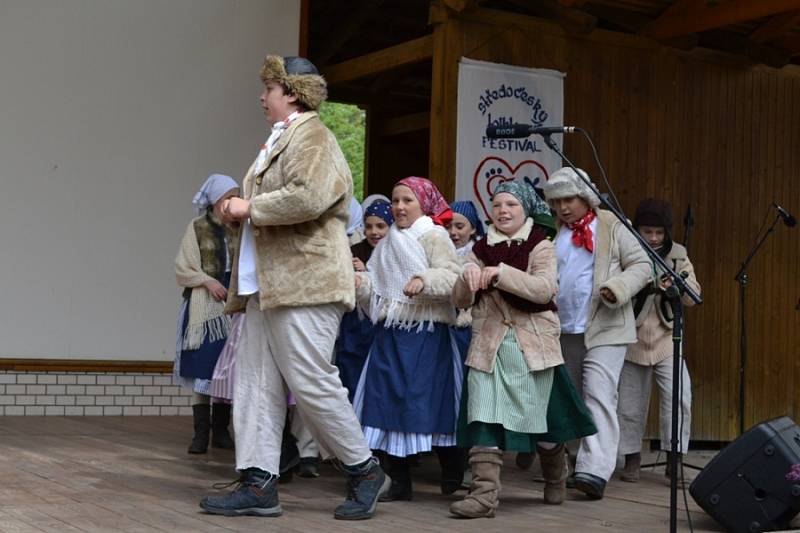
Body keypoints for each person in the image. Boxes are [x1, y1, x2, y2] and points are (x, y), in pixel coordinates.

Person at [198, 55, 389, 520]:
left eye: (268, 89)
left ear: (293, 93)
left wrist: (249, 207)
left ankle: (365, 470)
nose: (262, 97)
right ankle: (259, 480)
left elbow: (309, 196)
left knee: (310, 378)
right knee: (256, 382)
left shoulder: (315, 136)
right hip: (271, 284)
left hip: (307, 281)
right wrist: (237, 210)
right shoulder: (280, 139)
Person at [449, 180, 595, 518]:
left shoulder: (540, 246)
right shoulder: (479, 249)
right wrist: (466, 276)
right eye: (498, 205)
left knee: (542, 427)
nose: (503, 211)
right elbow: (460, 301)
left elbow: (544, 290)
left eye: (511, 205)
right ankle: (484, 495)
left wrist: (500, 274)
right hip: (488, 346)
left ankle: (555, 469)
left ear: (525, 209)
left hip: (531, 346)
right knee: (483, 416)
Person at [542, 167, 651, 500]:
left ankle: (594, 470)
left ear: (585, 196)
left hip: (607, 326)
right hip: (565, 328)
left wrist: (617, 287)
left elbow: (644, 265)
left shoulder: (612, 225)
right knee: (572, 397)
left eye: (569, 199)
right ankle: (575, 461)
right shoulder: (555, 231)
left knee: (599, 394)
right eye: (557, 200)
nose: (562, 207)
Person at [353, 176, 464, 501]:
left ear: (424, 203)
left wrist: (423, 279)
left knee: (430, 405)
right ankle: (399, 482)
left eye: (407, 201)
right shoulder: (388, 241)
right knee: (386, 403)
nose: (399, 207)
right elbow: (376, 283)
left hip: (427, 334)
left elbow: (453, 276)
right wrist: (359, 282)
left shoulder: (434, 236)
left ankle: (453, 474)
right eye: (395, 200)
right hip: (391, 334)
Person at [617, 199, 701, 482]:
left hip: (667, 339)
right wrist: (650, 286)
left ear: (667, 232)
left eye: (659, 232)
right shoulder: (625, 251)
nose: (653, 238)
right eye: (647, 231)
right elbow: (616, 291)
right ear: (637, 229)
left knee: (679, 398)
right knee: (629, 403)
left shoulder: (679, 255)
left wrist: (676, 287)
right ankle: (631, 457)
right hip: (632, 339)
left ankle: (674, 458)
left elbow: (693, 297)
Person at [174, 173, 239, 454]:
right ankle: (201, 433)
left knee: (226, 366)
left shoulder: (241, 229)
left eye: (236, 196)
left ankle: (221, 431)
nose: (232, 203)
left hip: (233, 303)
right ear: (215, 201)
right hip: (205, 302)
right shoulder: (197, 227)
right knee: (204, 365)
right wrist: (208, 281)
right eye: (228, 197)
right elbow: (183, 266)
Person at [336, 199, 393, 401]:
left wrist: (367, 272)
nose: (374, 232)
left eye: (381, 226)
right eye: (369, 226)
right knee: (351, 370)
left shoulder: (395, 252)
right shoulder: (356, 250)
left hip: (379, 324)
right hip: (354, 326)